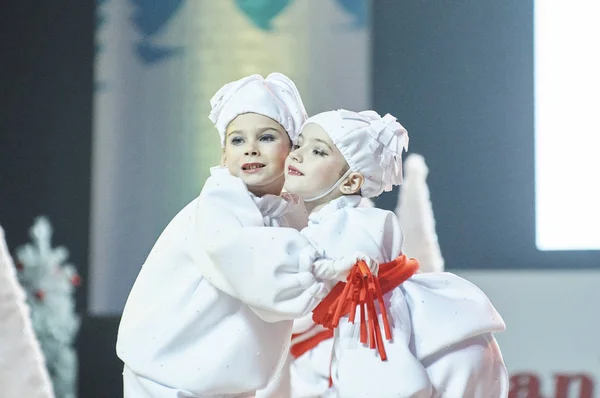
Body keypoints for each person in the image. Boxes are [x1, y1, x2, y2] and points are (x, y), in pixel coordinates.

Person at [116, 75, 373, 398]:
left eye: (266, 137)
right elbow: (253, 263)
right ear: (224, 157)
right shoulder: (220, 203)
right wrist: (326, 268)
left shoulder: (287, 209)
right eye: (237, 141)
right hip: (170, 373)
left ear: (292, 151)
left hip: (226, 377)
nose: (250, 149)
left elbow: (314, 251)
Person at [274, 109, 508, 397]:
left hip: (385, 328)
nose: (297, 156)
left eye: (318, 152)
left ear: (350, 182)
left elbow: (336, 280)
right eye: (299, 145)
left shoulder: (349, 224)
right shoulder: (336, 220)